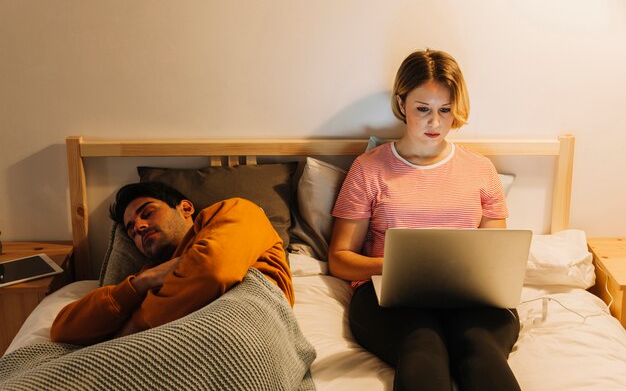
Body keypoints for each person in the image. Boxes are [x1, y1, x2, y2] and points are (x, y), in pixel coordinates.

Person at [328, 49, 521, 391]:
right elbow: (339, 259)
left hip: (470, 301)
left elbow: (496, 258)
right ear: (402, 104)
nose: (435, 123)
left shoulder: (480, 170)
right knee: (422, 349)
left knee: (480, 349)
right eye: (423, 109)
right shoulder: (369, 168)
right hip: (387, 297)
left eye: (445, 110)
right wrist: (395, 267)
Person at [51, 181, 294, 345]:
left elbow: (213, 271)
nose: (139, 227)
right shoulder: (147, 277)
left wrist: (131, 329)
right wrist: (138, 284)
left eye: (147, 213)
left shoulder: (235, 210)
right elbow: (62, 330)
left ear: (186, 208)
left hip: (244, 334)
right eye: (132, 230)